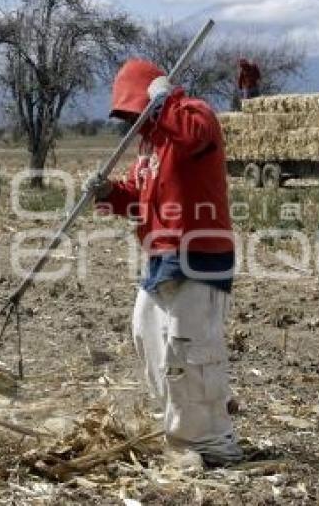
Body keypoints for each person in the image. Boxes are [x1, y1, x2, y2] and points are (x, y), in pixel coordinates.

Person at [84, 59, 242, 469]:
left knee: (191, 348)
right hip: (162, 254)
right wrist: (108, 193)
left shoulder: (193, 113)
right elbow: (139, 197)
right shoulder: (151, 144)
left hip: (201, 253)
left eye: (133, 111)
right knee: (147, 333)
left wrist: (165, 99)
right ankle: (179, 427)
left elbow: (194, 137)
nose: (131, 121)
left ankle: (212, 441)